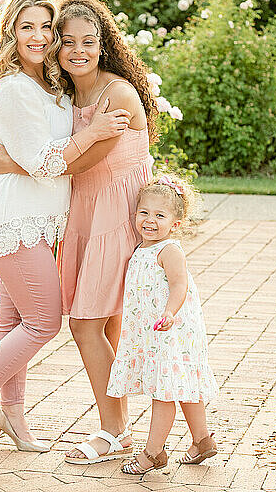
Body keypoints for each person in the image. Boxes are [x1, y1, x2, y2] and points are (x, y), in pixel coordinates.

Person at [0, 0, 130, 451]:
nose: (40, 37)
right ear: (11, 33)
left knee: (13, 323)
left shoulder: (51, 86)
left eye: (48, 28)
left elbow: (33, 157)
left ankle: (14, 421)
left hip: (41, 220)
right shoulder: (15, 89)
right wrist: (96, 132)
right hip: (16, 219)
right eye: (28, 27)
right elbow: (46, 161)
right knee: (44, 321)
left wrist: (19, 160)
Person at [0, 0, 158, 463]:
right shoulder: (68, 95)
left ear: (103, 44)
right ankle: (118, 429)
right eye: (67, 42)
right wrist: (29, 159)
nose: (76, 50)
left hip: (116, 214)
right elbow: (58, 150)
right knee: (104, 324)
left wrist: (19, 165)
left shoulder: (117, 94)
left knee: (87, 324)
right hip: (84, 212)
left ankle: (112, 430)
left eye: (88, 41)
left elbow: (85, 159)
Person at [106, 173, 219, 475]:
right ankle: (202, 440)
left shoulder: (168, 250)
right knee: (180, 386)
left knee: (165, 390)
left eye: (160, 215)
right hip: (153, 332)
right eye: (144, 212)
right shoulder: (141, 249)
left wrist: (170, 312)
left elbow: (179, 285)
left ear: (175, 224)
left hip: (171, 329)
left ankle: (153, 453)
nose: (150, 220)